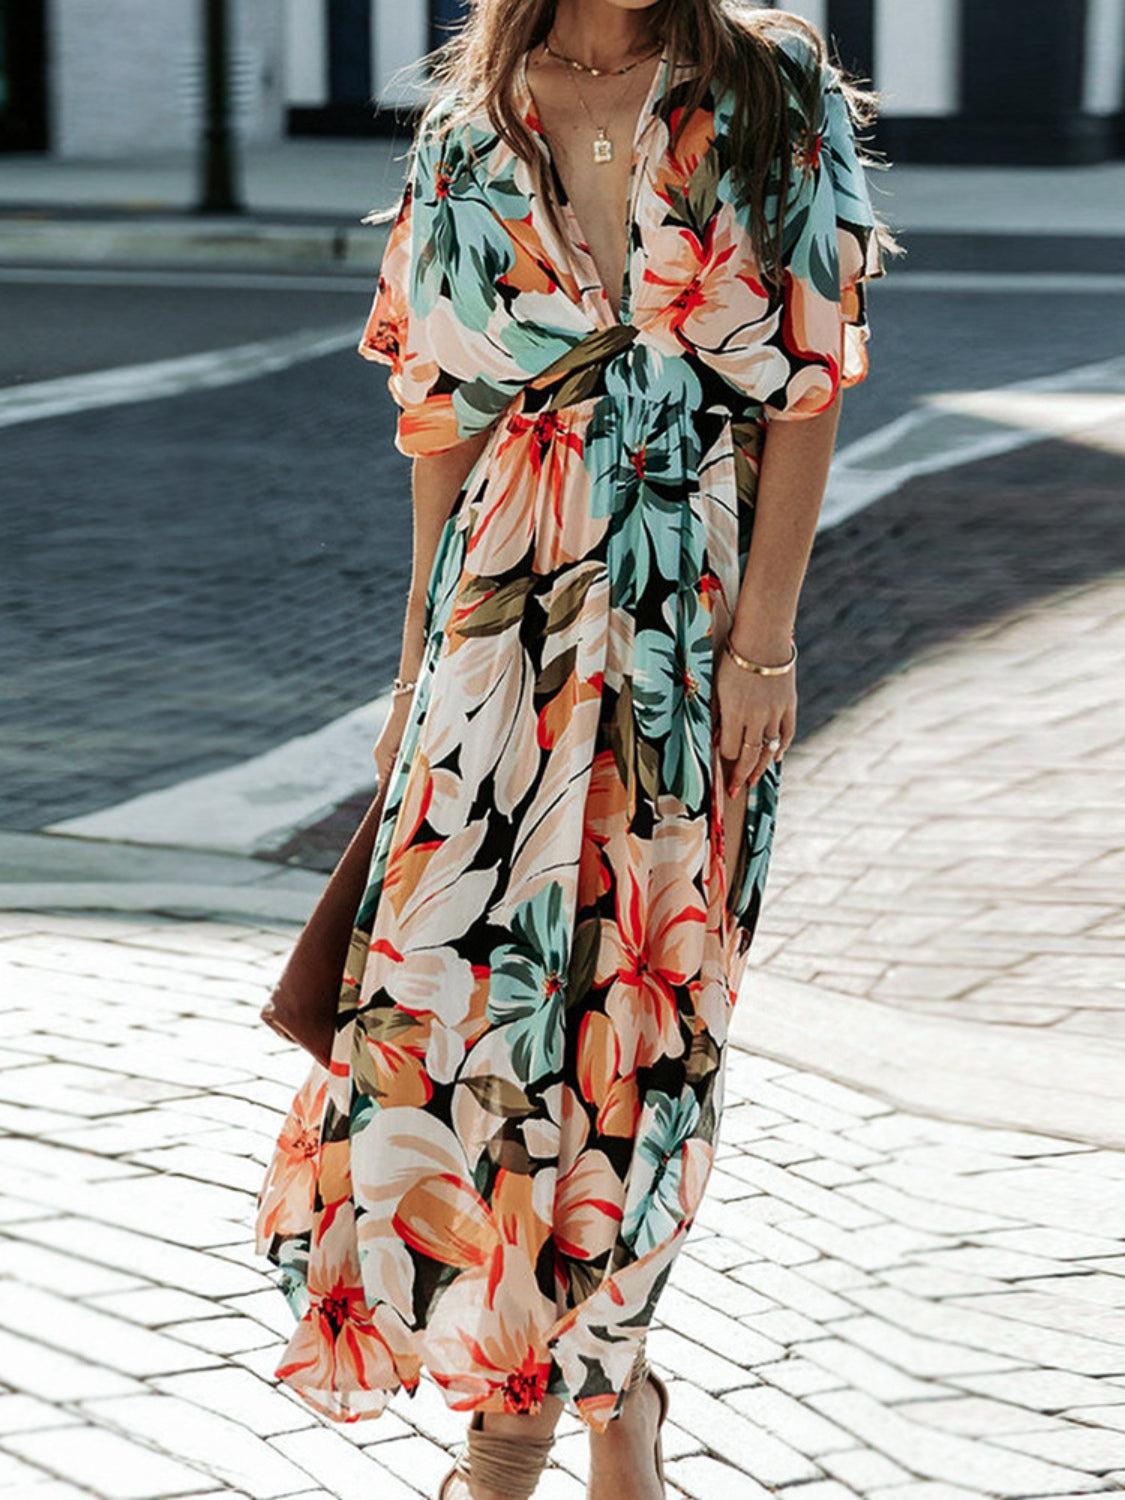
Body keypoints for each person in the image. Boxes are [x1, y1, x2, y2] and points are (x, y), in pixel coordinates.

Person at [255, 1, 899, 1495]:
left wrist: (765, 641)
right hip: (503, 609)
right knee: (461, 1014)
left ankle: (581, 1396)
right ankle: (543, 1392)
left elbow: (808, 370)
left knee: (643, 1020)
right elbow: (440, 413)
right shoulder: (473, 113)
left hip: (691, 611)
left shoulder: (762, 80)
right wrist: (415, 661)